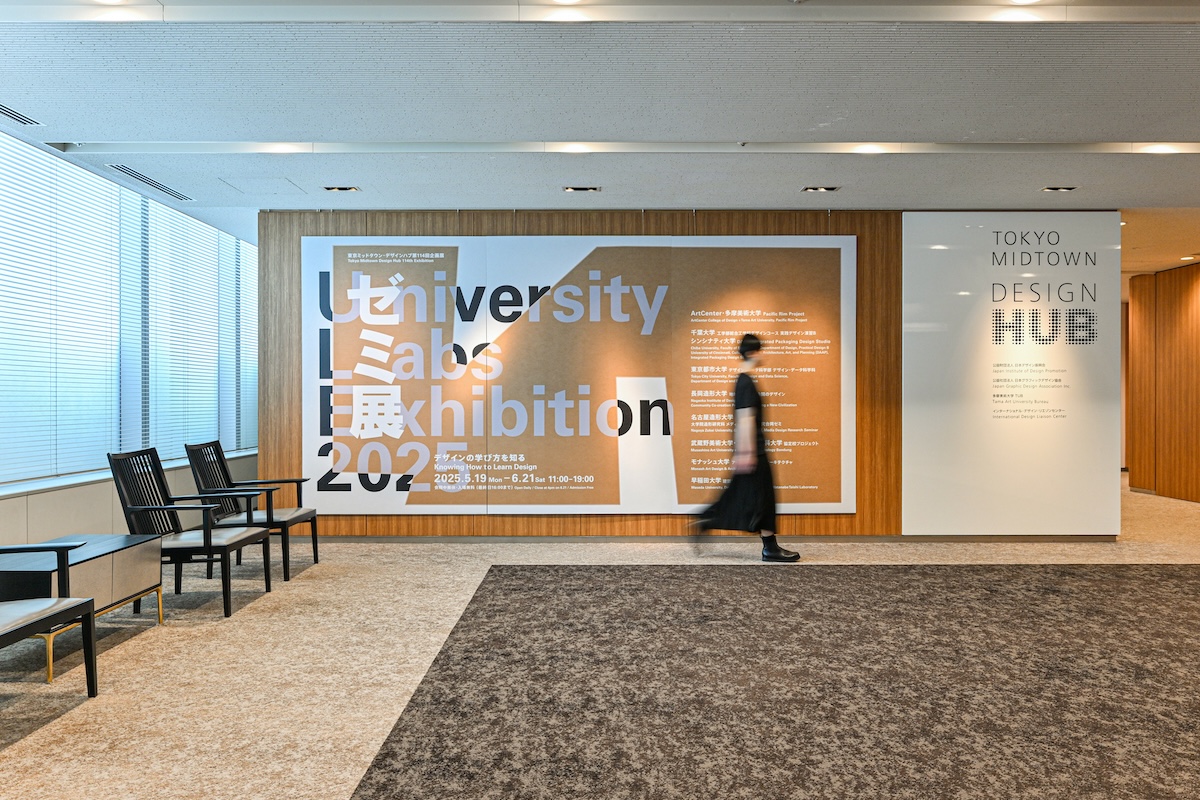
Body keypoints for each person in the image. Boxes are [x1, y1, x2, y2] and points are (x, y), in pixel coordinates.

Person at [695, 334, 800, 562]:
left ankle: (708, 519)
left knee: (746, 496)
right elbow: (744, 418)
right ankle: (769, 547)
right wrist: (746, 453)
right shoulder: (745, 382)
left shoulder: (745, 380)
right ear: (753, 352)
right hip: (754, 451)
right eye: (761, 350)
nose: (765, 355)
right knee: (763, 498)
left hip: (752, 450)